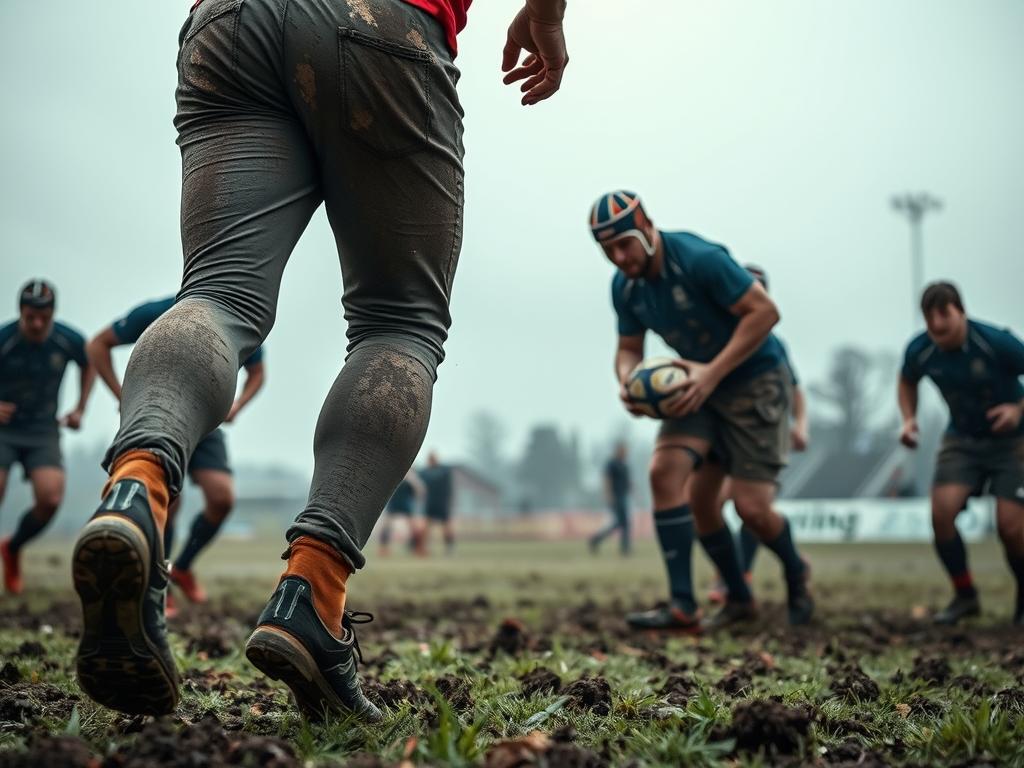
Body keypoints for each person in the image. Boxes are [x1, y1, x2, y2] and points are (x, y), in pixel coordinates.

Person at [71, 0, 570, 719]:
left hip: (229, 24)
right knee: (400, 323)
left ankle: (136, 487)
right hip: (382, 26)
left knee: (218, 292)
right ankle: (314, 590)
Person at [591, 190, 813, 634]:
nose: (619, 256)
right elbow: (628, 350)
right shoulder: (625, 287)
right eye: (607, 249)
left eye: (625, 243)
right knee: (671, 479)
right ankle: (693, 604)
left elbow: (765, 312)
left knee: (752, 510)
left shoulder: (699, 258)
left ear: (648, 228)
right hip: (695, 385)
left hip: (754, 381)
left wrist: (712, 373)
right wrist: (629, 382)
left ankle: (795, 570)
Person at [87, 296, 266, 613]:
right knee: (168, 498)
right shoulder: (160, 312)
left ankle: (182, 567)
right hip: (160, 418)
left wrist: (238, 404)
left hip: (207, 425)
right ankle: (160, 586)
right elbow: (98, 344)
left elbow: (257, 372)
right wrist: (122, 394)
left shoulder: (233, 313)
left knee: (221, 498)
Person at [898, 281, 1024, 626]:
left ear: (961, 312)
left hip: (1013, 441)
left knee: (1011, 528)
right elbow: (906, 380)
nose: (939, 330)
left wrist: (1017, 409)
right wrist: (909, 420)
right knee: (941, 514)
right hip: (962, 440)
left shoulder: (995, 342)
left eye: (946, 321)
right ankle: (965, 596)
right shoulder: (921, 350)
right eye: (931, 324)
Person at [707, 264, 809, 604]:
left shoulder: (772, 346)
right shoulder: (721, 337)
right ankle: (732, 575)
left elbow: (795, 389)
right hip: (727, 428)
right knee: (711, 500)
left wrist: (800, 425)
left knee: (748, 505)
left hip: (762, 430)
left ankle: (743, 575)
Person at [0, 280, 94, 594]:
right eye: (30, 317)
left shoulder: (67, 339)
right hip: (4, 429)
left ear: (52, 314)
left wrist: (80, 408)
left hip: (43, 429)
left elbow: (90, 360)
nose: (38, 324)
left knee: (50, 498)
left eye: (44, 317)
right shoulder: (5, 339)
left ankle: (12, 549)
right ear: (21, 314)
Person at [589, 441, 632, 556]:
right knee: (620, 523)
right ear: (618, 450)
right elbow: (607, 480)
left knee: (624, 523)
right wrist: (608, 495)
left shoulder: (624, 465)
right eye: (623, 450)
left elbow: (627, 481)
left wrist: (633, 490)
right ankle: (596, 540)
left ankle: (624, 548)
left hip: (624, 496)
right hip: (616, 496)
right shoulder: (611, 464)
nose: (625, 453)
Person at [379, 468, 426, 556]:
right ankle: (383, 549)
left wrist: (412, 479)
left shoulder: (411, 479)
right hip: (393, 505)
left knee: (414, 527)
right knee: (385, 527)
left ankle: (417, 548)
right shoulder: (394, 477)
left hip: (406, 505)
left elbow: (420, 492)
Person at [420, 451, 456, 555]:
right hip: (433, 502)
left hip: (440, 502)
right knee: (428, 527)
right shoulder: (441, 471)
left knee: (445, 526)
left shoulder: (439, 472)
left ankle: (449, 548)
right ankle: (424, 548)